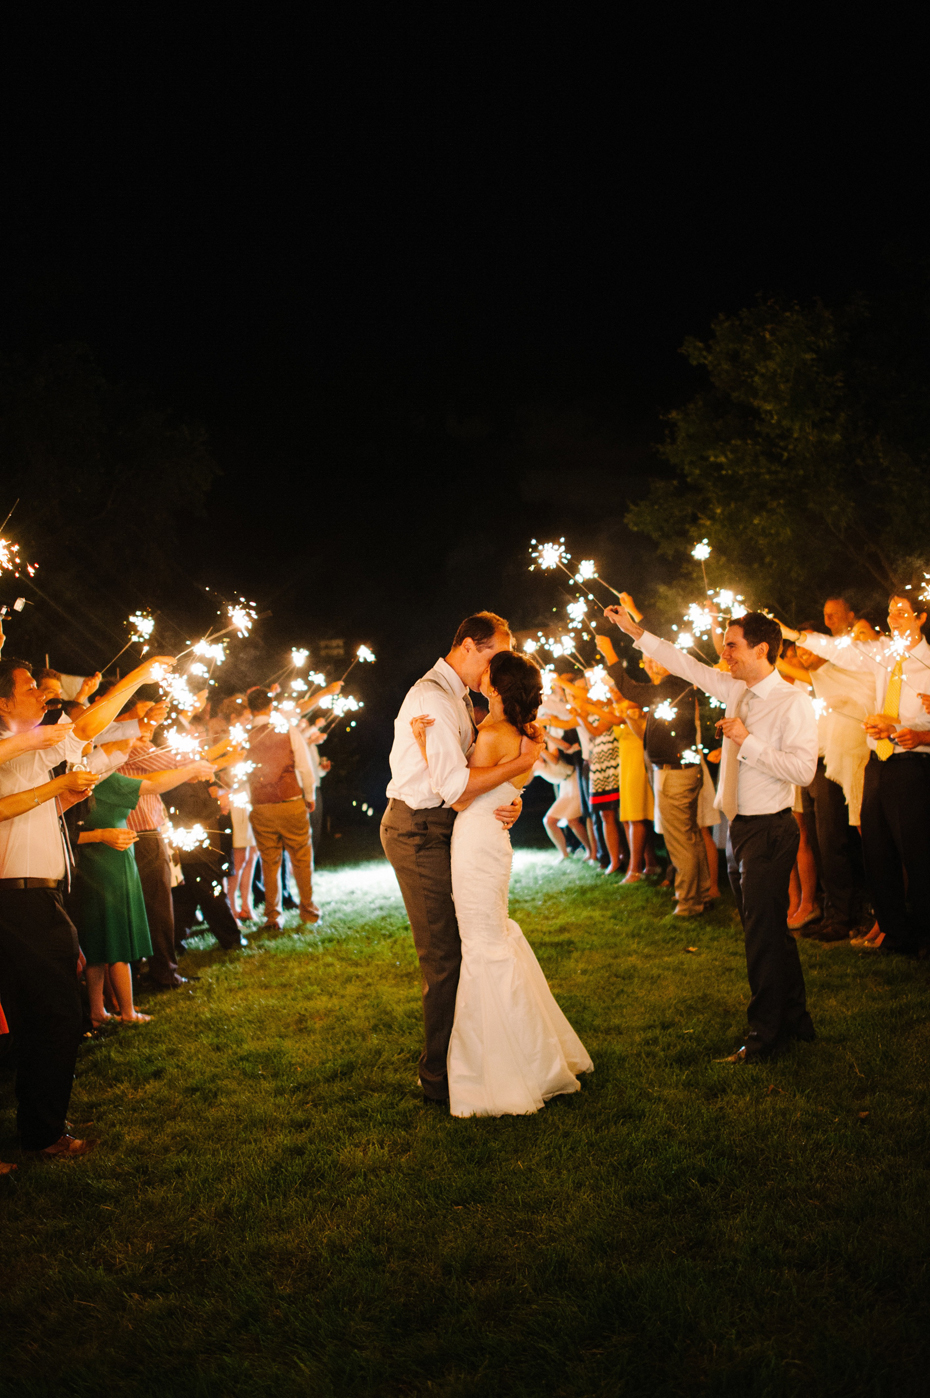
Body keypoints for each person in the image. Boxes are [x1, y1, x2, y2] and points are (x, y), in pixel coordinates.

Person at [606, 605, 818, 1063]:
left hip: (769, 829)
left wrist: (748, 740)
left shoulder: (793, 701)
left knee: (761, 938)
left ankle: (763, 1038)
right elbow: (686, 663)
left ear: (761, 649)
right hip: (739, 827)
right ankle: (797, 1020)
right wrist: (636, 632)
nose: (724, 653)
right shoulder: (734, 687)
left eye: (732, 645)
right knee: (769, 931)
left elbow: (803, 771)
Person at [0, 651, 175, 1156]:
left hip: (42, 896)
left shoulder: (34, 750)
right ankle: (42, 1133)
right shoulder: (11, 748)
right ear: (3, 701)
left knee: (46, 1018)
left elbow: (90, 727)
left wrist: (141, 676)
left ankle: (41, 1130)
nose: (43, 692)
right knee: (53, 1016)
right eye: (30, 685)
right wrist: (55, 783)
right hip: (14, 900)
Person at [411, 650, 592, 1117]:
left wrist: (428, 747)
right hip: (493, 839)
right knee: (493, 937)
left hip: (475, 842)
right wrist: (512, 787)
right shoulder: (522, 732)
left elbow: (458, 797)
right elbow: (508, 784)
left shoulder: (493, 733)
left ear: (495, 686)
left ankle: (505, 1069)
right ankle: (532, 1056)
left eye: (489, 671)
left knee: (483, 945)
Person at [380, 612, 539, 1105]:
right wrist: (523, 763)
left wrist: (512, 794)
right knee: (445, 956)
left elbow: (479, 772)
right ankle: (439, 1080)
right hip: (419, 830)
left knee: (463, 947)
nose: (499, 667)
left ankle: (468, 1060)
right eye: (494, 656)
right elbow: (454, 789)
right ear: (470, 646)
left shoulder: (458, 697)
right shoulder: (432, 696)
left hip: (447, 829)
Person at [781, 589, 930, 955]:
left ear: (921, 617)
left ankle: (926, 937)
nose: (893, 617)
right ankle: (894, 934)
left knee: (918, 856)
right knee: (877, 853)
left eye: (902, 611)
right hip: (878, 763)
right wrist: (796, 636)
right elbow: (841, 650)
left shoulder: (928, 662)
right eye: (891, 610)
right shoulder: (882, 656)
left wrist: (918, 733)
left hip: (915, 766)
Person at [75, 759, 217, 1028]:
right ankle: (127, 1011)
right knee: (117, 938)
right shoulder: (106, 777)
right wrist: (191, 770)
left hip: (93, 861)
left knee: (96, 941)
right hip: (111, 861)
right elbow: (153, 783)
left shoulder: (85, 777)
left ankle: (98, 1011)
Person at [245, 689, 319, 930]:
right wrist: (309, 796)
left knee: (269, 861)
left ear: (250, 709)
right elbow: (305, 767)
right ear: (270, 706)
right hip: (290, 802)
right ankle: (308, 910)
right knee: (301, 858)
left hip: (261, 806)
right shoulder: (286, 729)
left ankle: (273, 916)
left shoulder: (243, 736)